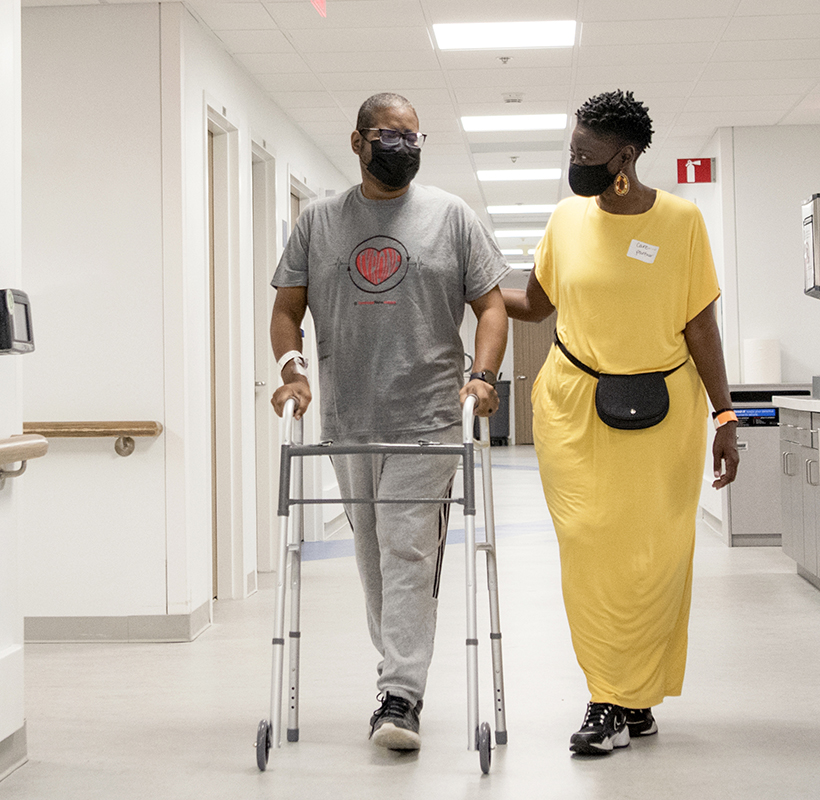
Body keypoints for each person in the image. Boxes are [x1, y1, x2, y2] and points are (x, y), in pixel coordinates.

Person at [269, 92, 509, 752]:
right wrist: (293, 368)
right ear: (357, 142)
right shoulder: (319, 222)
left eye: (413, 137)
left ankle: (400, 693)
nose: (403, 146)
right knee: (373, 554)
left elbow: (492, 307)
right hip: (350, 420)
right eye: (389, 135)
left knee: (408, 549)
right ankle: (395, 676)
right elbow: (287, 309)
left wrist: (481, 378)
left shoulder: (451, 216)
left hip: (428, 417)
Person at [502, 89, 739, 756]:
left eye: (587, 152)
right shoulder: (565, 221)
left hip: (665, 416)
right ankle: (607, 696)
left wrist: (726, 415)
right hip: (573, 408)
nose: (574, 161)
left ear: (625, 156)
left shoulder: (682, 222)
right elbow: (535, 305)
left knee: (656, 556)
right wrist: (474, 288)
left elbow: (702, 327)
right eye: (572, 149)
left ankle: (635, 696)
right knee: (589, 548)